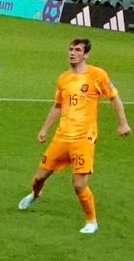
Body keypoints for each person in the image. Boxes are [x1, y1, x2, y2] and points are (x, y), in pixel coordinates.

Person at [17, 38, 130, 233]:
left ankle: (91, 221)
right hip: (62, 137)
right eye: (70, 49)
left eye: (77, 50)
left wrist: (123, 122)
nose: (72, 53)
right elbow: (58, 106)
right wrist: (44, 128)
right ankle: (35, 195)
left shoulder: (97, 75)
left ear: (85, 54)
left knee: (78, 184)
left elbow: (114, 97)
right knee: (38, 178)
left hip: (84, 137)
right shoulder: (63, 79)